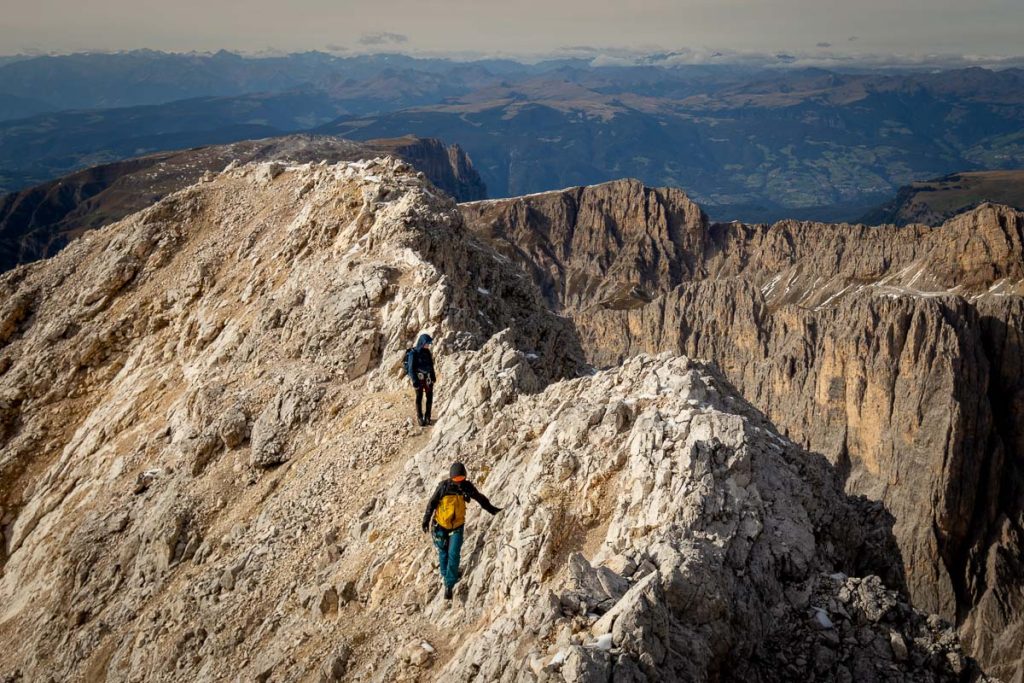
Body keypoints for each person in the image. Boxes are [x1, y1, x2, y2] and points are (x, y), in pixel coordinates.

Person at [422, 462, 502, 601]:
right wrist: (425, 520)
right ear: (451, 478)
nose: (459, 483)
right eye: (456, 480)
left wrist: (492, 510)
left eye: (461, 479)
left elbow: (480, 498)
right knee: (443, 552)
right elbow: (432, 503)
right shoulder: (443, 487)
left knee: (454, 553)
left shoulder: (467, 487)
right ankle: (447, 575)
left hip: (457, 527)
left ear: (464, 477)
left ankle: (449, 585)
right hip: (440, 526)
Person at [405, 333, 436, 427]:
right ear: (422, 342)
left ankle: (427, 417)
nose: (428, 345)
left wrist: (433, 376)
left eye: (429, 343)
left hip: (428, 378)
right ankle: (420, 417)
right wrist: (414, 381)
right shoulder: (413, 353)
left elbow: (431, 365)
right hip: (419, 378)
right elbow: (410, 369)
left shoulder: (427, 352)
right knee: (419, 397)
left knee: (429, 396)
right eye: (427, 343)